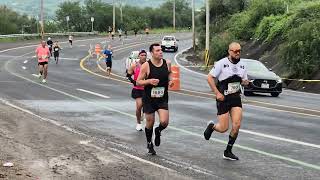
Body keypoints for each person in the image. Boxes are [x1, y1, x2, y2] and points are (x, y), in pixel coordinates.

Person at [203, 42, 249, 161]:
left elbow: (244, 80)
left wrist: (245, 82)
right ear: (229, 51)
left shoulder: (243, 65)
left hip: (235, 98)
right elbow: (209, 77)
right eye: (235, 51)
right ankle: (212, 126)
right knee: (223, 128)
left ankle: (228, 151)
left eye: (239, 50)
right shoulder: (221, 63)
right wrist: (217, 93)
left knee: (237, 124)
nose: (237, 53)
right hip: (223, 98)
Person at [137, 43, 174, 155]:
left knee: (164, 122)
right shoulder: (146, 66)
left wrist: (171, 80)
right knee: (150, 122)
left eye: (161, 50)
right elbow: (138, 81)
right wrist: (149, 81)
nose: (160, 52)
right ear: (152, 53)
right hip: (149, 98)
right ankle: (149, 143)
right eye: (157, 50)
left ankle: (158, 131)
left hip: (162, 97)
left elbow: (170, 73)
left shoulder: (167, 63)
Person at [127, 50, 147, 131]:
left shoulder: (148, 65)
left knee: (146, 106)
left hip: (147, 89)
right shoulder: (134, 65)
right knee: (139, 106)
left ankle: (144, 113)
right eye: (142, 55)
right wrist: (133, 82)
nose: (144, 56)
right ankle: (138, 123)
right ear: (139, 56)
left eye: (145, 55)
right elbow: (128, 75)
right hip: (138, 89)